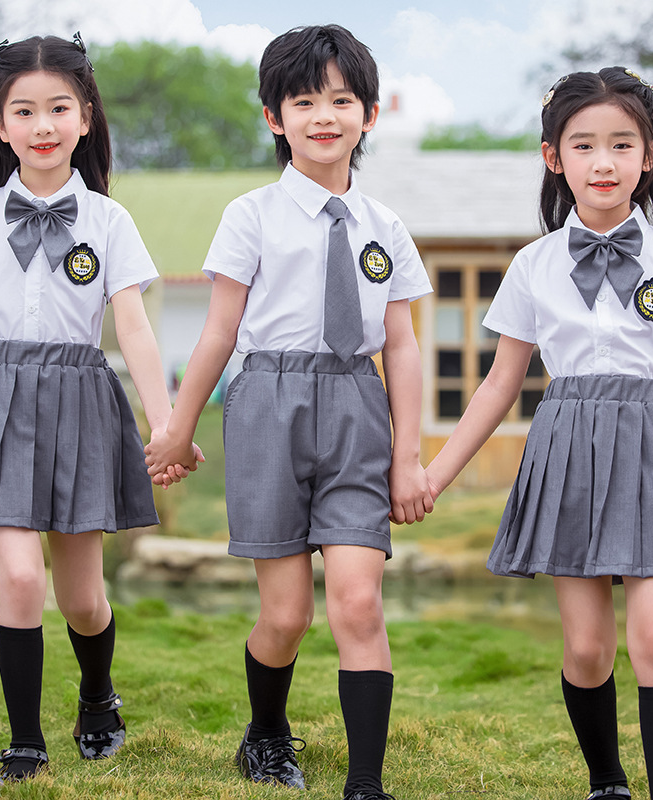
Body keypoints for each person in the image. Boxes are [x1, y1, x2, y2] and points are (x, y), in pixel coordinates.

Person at [145, 24, 432, 800]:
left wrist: (409, 454)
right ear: (275, 118)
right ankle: (267, 735)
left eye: (341, 99)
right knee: (286, 617)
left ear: (369, 114)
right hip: (267, 404)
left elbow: (400, 346)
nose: (323, 116)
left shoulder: (387, 230)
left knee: (359, 600)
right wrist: (177, 425)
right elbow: (219, 332)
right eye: (303, 101)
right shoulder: (251, 215)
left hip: (356, 408)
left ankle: (365, 783)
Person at [423, 67, 653, 800]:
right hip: (568, 454)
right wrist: (433, 475)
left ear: (650, 154)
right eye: (584, 145)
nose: (604, 162)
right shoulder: (533, 266)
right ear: (555, 157)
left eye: (622, 144)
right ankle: (606, 781)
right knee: (586, 649)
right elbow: (498, 384)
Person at [0, 33, 189, 782]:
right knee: (17, 579)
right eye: (25, 111)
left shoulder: (109, 222)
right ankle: (24, 739)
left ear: (85, 117)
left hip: (80, 401)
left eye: (59, 108)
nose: (43, 125)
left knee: (82, 600)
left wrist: (165, 424)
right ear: (0, 125)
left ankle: (98, 691)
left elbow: (133, 327)